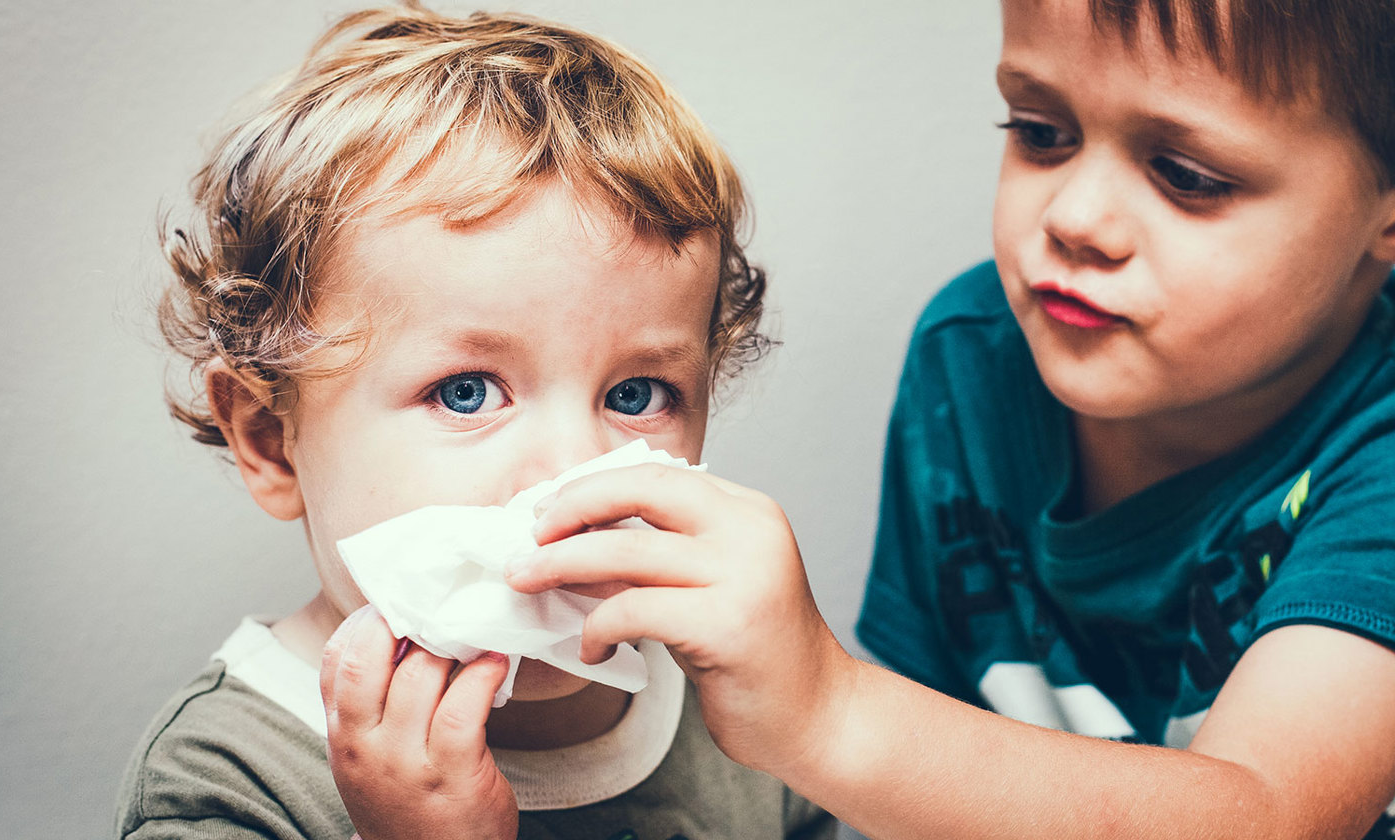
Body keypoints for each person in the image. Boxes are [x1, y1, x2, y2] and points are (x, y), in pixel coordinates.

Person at [503, 0, 1395, 836]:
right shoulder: (971, 358)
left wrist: (827, 711)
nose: (1075, 219)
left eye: (1188, 177)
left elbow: (1273, 812)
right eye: (1042, 135)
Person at [114, 5, 836, 840]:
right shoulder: (226, 781)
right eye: (466, 392)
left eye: (635, 396)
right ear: (271, 441)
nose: (574, 470)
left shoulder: (744, 712)